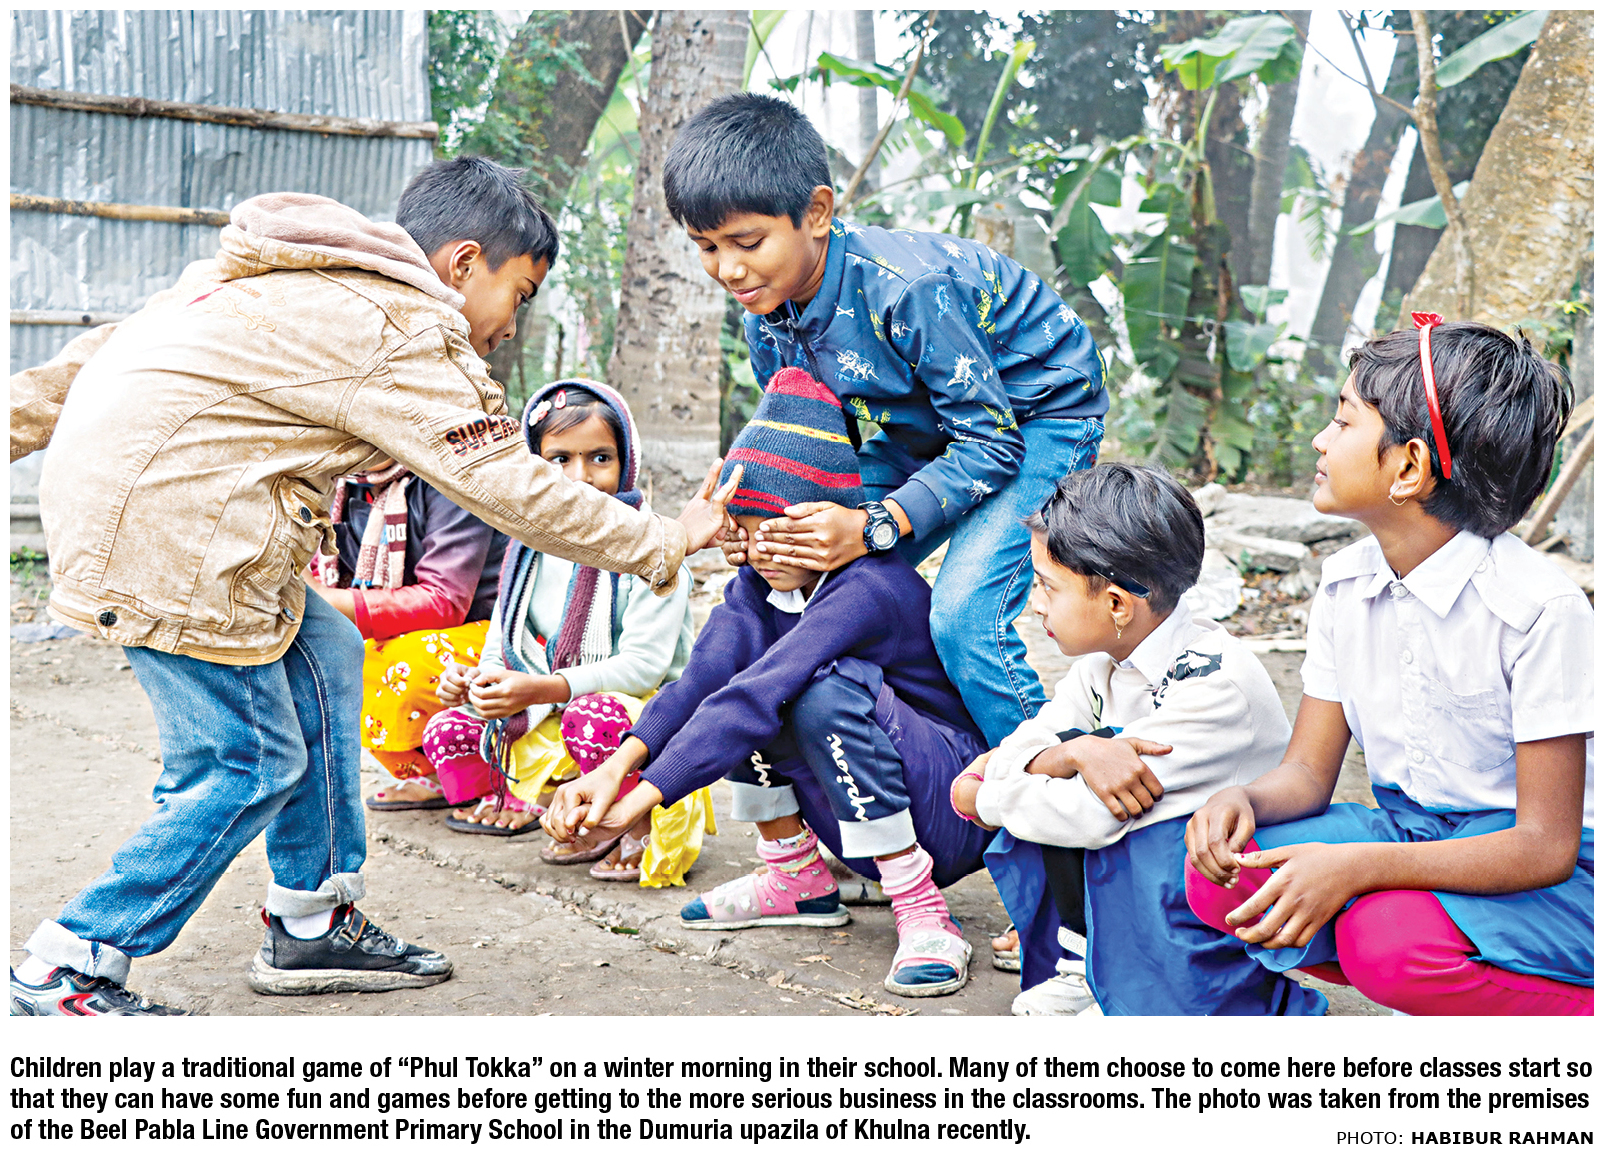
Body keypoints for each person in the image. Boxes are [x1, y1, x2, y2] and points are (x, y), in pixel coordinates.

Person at [8, 156, 735, 1016]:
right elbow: (506, 483)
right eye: (520, 293)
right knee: (247, 762)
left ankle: (310, 918)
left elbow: (93, 358)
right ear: (463, 263)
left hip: (158, 519)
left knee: (325, 647)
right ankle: (70, 961)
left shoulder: (278, 281)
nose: (511, 325)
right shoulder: (403, 327)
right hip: (178, 541)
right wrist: (663, 538)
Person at [662, 92, 1105, 749]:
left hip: (1037, 416)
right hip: (921, 427)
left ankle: (1053, 774)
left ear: (817, 212)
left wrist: (873, 523)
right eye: (706, 246)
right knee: (802, 558)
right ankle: (929, 756)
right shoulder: (767, 313)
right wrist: (758, 527)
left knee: (964, 617)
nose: (728, 269)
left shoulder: (908, 291)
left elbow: (990, 444)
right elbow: (813, 458)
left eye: (747, 242)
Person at [1184, 317, 1593, 1016]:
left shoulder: (1538, 610)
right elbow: (1307, 772)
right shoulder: (1346, 585)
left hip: (1555, 876)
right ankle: (1448, 972)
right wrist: (1244, 800)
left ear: (1408, 468)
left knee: (1387, 944)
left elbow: (1544, 845)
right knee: (1225, 874)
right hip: (1413, 830)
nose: (1321, 440)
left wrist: (1360, 868)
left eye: (1343, 421)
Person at [543, 368, 995, 997]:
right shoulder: (756, 588)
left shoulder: (869, 586)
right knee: (735, 693)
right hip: (857, 820)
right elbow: (699, 685)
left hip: (947, 809)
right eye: (749, 530)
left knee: (813, 691)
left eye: (786, 531)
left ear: (829, 522)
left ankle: (921, 911)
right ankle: (794, 877)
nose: (764, 550)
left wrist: (639, 803)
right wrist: (614, 769)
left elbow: (759, 693)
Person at [953, 464, 1316, 1016]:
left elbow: (1090, 815)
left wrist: (981, 796)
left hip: (1216, 892)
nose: (1036, 603)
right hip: (1146, 876)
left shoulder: (1215, 685)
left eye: (1048, 586)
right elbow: (1030, 743)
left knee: (1101, 817)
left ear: (1118, 604)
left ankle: (1181, 993)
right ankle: (1089, 965)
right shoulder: (1103, 665)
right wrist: (1071, 752)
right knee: (1070, 762)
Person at [423, 379, 712, 886]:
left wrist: (543, 688)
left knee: (591, 718)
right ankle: (535, 799)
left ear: (627, 461)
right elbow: (502, 645)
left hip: (643, 718)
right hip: (552, 705)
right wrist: (478, 682)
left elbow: (643, 668)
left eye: (600, 458)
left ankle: (632, 823)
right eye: (559, 460)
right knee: (447, 729)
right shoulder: (526, 549)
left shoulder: (654, 550)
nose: (580, 478)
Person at [305, 456, 506, 811]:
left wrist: (325, 602)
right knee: (324, 658)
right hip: (400, 633)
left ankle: (487, 773)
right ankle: (434, 773)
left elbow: (445, 601)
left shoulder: (452, 476)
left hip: (487, 635)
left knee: (391, 664)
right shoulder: (341, 481)